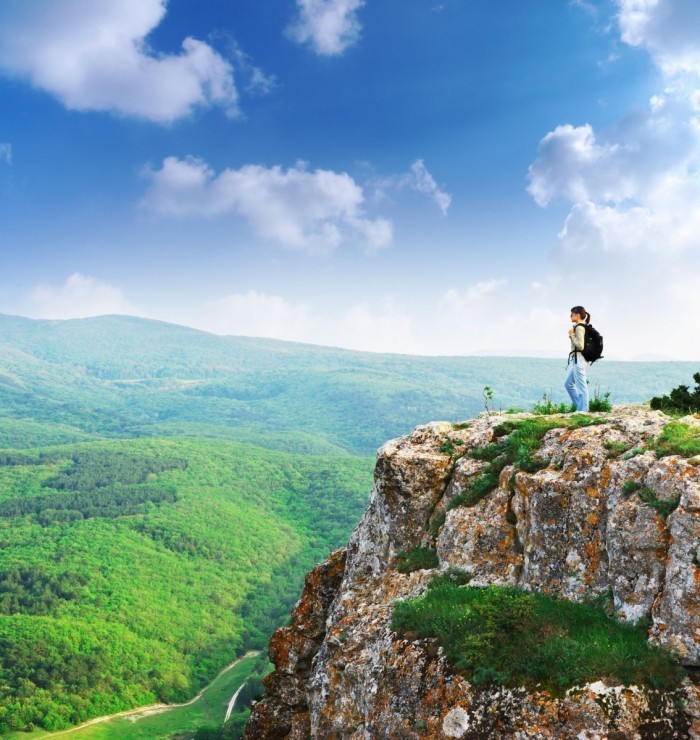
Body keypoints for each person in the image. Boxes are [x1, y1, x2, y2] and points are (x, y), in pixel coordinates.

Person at [565, 306, 589, 412]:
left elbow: (580, 346)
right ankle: (581, 407)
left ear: (577, 315)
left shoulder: (579, 327)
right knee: (568, 384)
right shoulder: (580, 326)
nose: (570, 316)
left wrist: (571, 335)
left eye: (572, 314)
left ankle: (583, 411)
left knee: (581, 386)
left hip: (579, 359)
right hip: (577, 359)